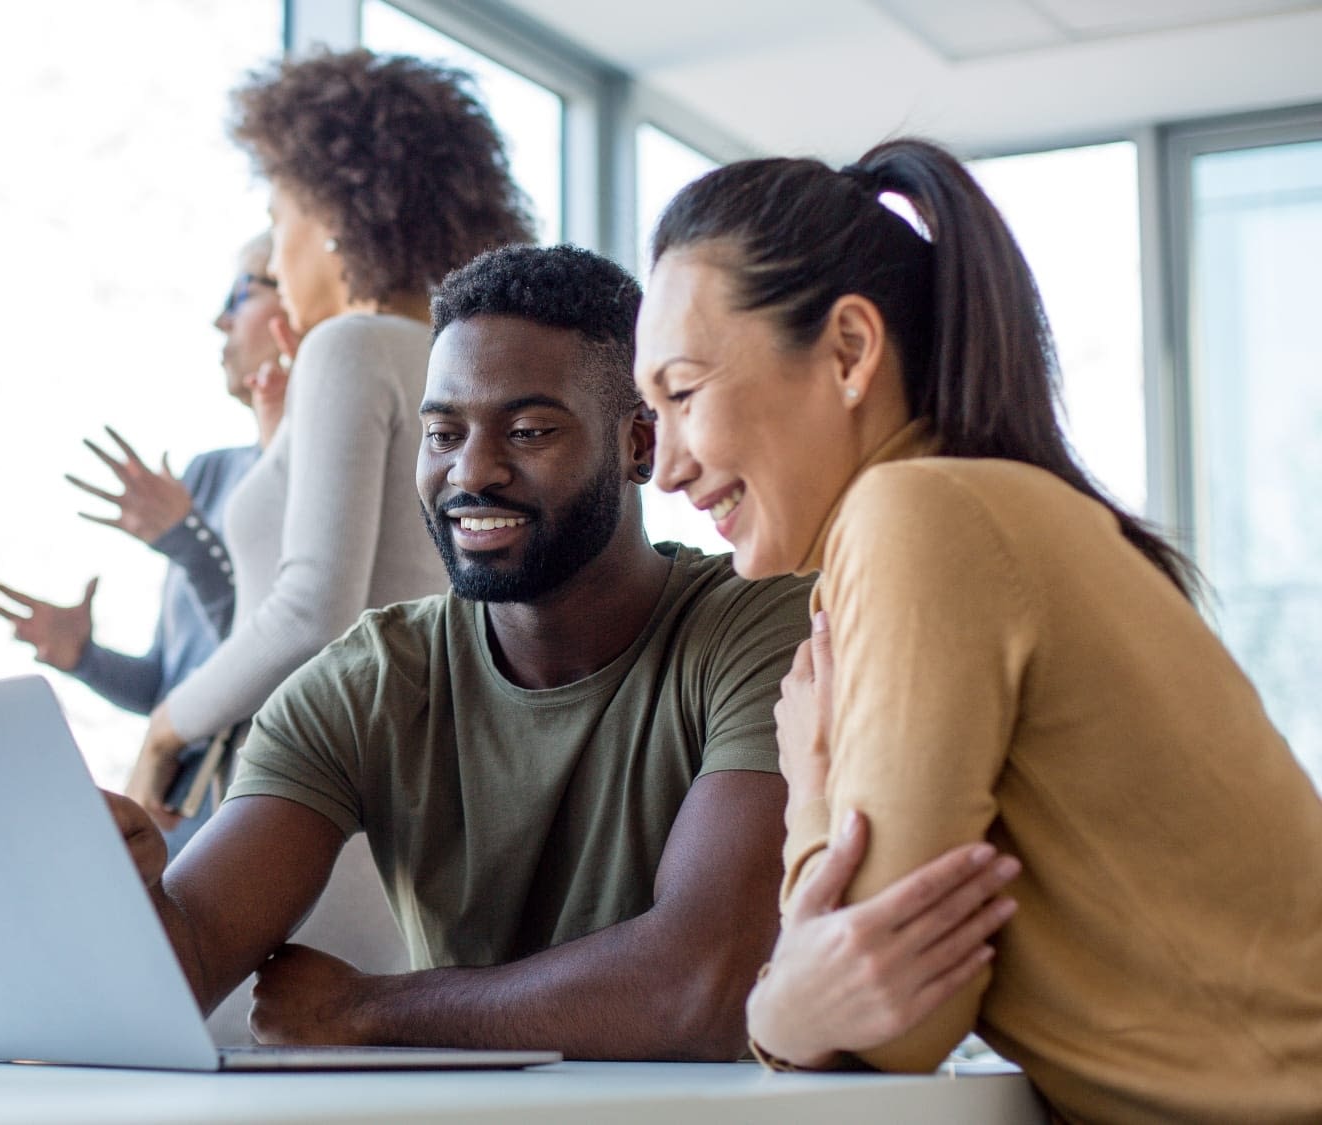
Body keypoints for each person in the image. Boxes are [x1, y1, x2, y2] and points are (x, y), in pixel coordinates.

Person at [637, 138, 1322, 1121]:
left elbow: (888, 1023)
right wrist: (792, 1009)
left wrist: (811, 778)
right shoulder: (986, 509)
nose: (663, 467)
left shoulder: (914, 515)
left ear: (846, 352)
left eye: (682, 393)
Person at [105, 244, 814, 1059]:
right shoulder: (368, 681)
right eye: (443, 431)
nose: (471, 471)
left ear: (639, 445)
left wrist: (367, 1010)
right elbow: (185, 958)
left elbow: (702, 987)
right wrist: (123, 890)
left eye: (529, 429)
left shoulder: (764, 628)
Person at [125, 49, 534, 825]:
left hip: (312, 793)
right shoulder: (462, 359)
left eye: (280, 221)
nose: (277, 254)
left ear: (338, 214)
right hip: (409, 783)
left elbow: (313, 607)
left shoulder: (350, 347)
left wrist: (163, 727)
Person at [0, 232, 290, 849]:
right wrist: (86, 659)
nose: (220, 319)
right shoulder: (207, 473)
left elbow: (280, 647)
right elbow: (169, 686)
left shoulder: (319, 480)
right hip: (175, 808)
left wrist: (187, 541)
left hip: (250, 807)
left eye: (242, 292)